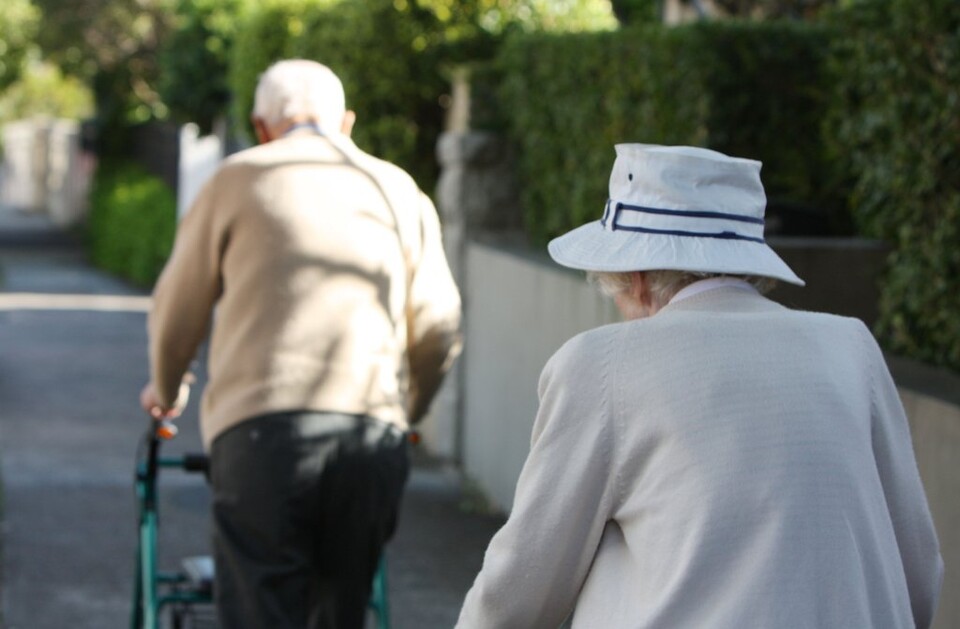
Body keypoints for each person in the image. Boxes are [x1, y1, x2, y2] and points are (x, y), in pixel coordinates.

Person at [455, 144, 943, 628]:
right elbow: (918, 570)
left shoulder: (602, 363)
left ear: (637, 277)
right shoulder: (851, 347)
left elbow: (520, 591)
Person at [139, 59, 462, 628]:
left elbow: (176, 307)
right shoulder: (397, 189)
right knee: (342, 610)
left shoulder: (236, 181)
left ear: (262, 126)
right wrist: (406, 413)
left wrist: (168, 388)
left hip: (261, 435)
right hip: (369, 434)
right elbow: (438, 323)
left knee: (261, 609)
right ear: (348, 123)